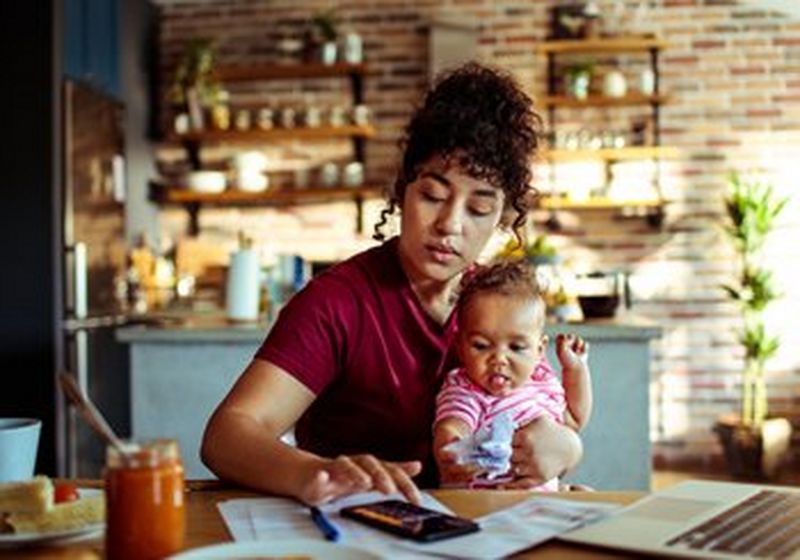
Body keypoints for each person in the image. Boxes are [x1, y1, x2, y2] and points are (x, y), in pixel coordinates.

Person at [200, 62, 583, 506]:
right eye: (433, 196)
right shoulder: (338, 302)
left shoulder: (498, 305)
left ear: (503, 217)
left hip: (480, 527)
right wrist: (313, 472)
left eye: (479, 209)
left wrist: (567, 448)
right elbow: (226, 435)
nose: (449, 225)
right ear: (403, 190)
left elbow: (542, 414)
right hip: (356, 526)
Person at [433, 260, 592, 490]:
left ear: (539, 350)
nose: (499, 359)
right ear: (460, 347)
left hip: (540, 501)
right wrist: (449, 448)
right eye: (481, 345)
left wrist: (575, 370)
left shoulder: (541, 381)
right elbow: (453, 425)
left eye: (516, 348)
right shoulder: (466, 387)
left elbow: (574, 420)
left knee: (587, 497)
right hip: (489, 501)